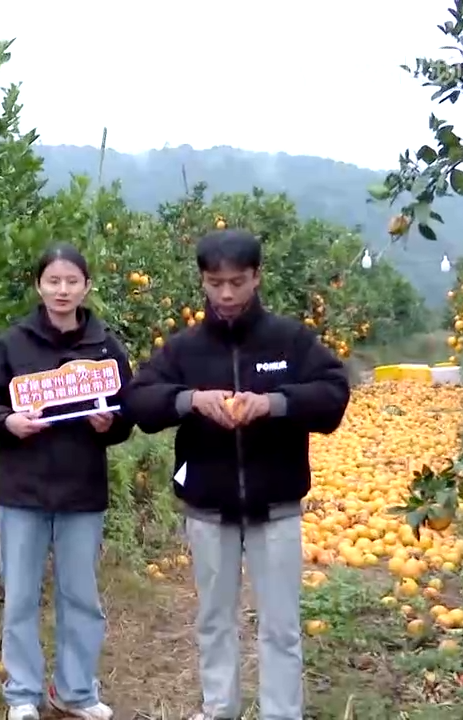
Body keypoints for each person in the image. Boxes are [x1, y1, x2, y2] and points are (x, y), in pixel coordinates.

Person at [123, 229, 351, 720]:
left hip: (277, 505)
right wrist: (190, 400)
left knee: (281, 625)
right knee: (213, 620)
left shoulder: (290, 339)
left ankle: (281, 713)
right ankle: (219, 708)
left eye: (237, 282)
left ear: (256, 278)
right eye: (215, 283)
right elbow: (140, 400)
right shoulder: (184, 348)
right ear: (202, 281)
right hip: (208, 505)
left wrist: (275, 403)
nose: (226, 294)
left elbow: (333, 395)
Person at [0, 243, 135, 720]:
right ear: (38, 285)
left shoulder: (106, 347)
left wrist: (113, 424)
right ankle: (23, 693)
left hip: (82, 490)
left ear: (86, 286)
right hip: (23, 490)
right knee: (20, 594)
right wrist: (8, 423)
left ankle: (76, 691)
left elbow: (129, 413)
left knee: (80, 595)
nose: (62, 290)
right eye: (53, 281)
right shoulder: (11, 345)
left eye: (72, 281)